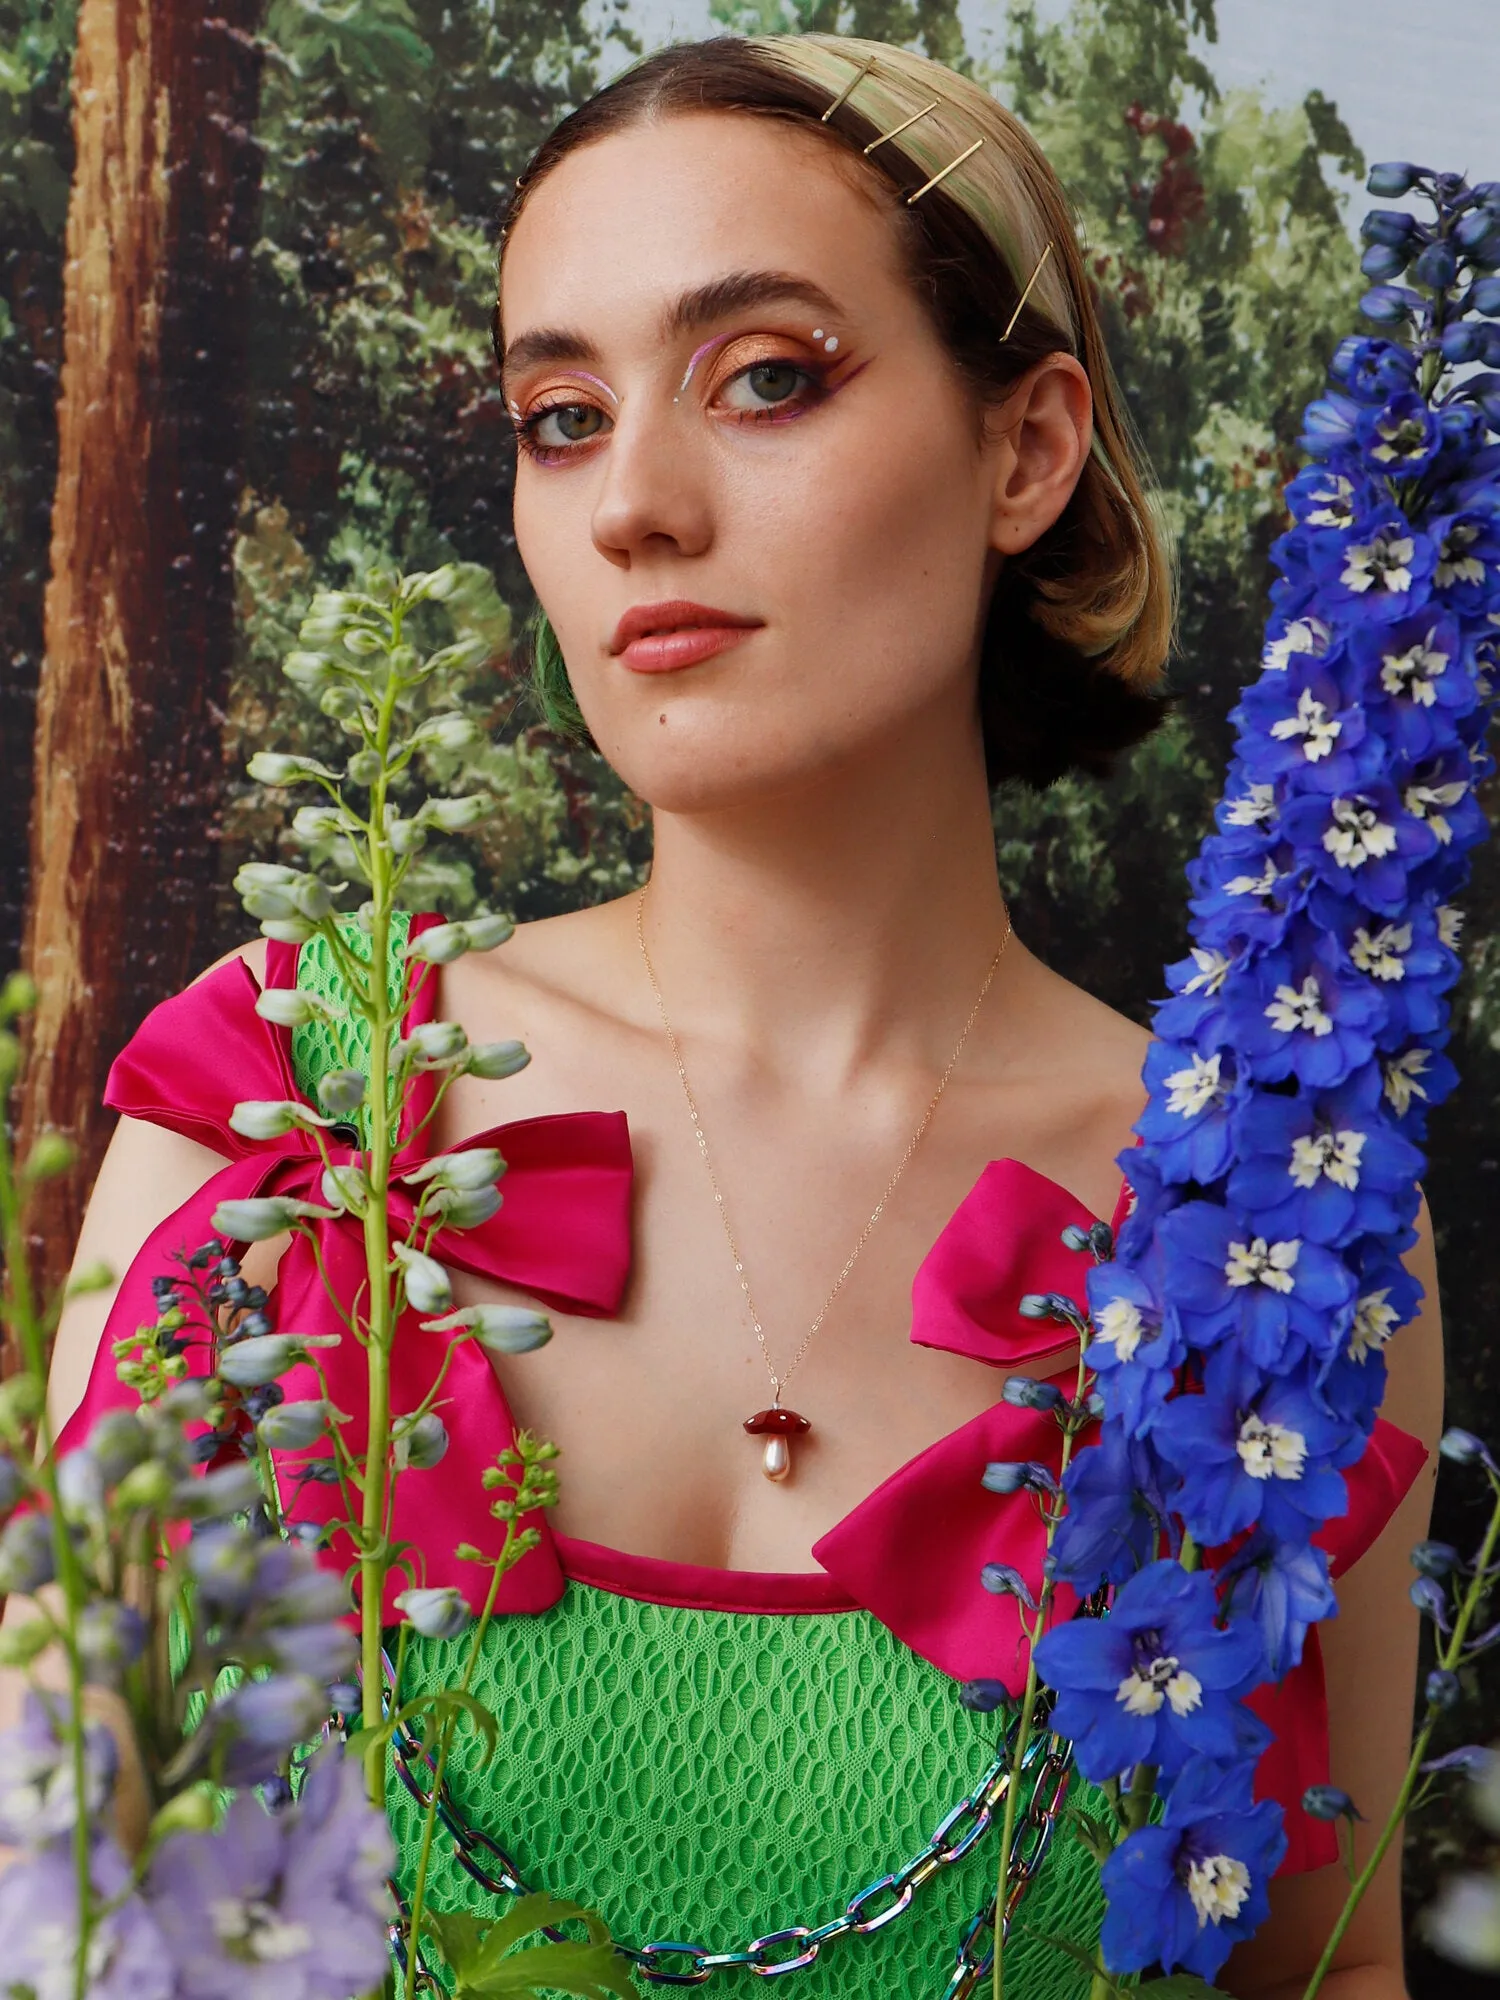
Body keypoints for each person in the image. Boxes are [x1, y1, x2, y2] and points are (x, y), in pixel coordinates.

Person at [18, 32, 1442, 1999]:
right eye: (560, 415)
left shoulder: (1294, 1209)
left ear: (1025, 448)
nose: (636, 508)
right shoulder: (284, 1104)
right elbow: (48, 1889)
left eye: (766, 377)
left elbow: (1324, 1968)